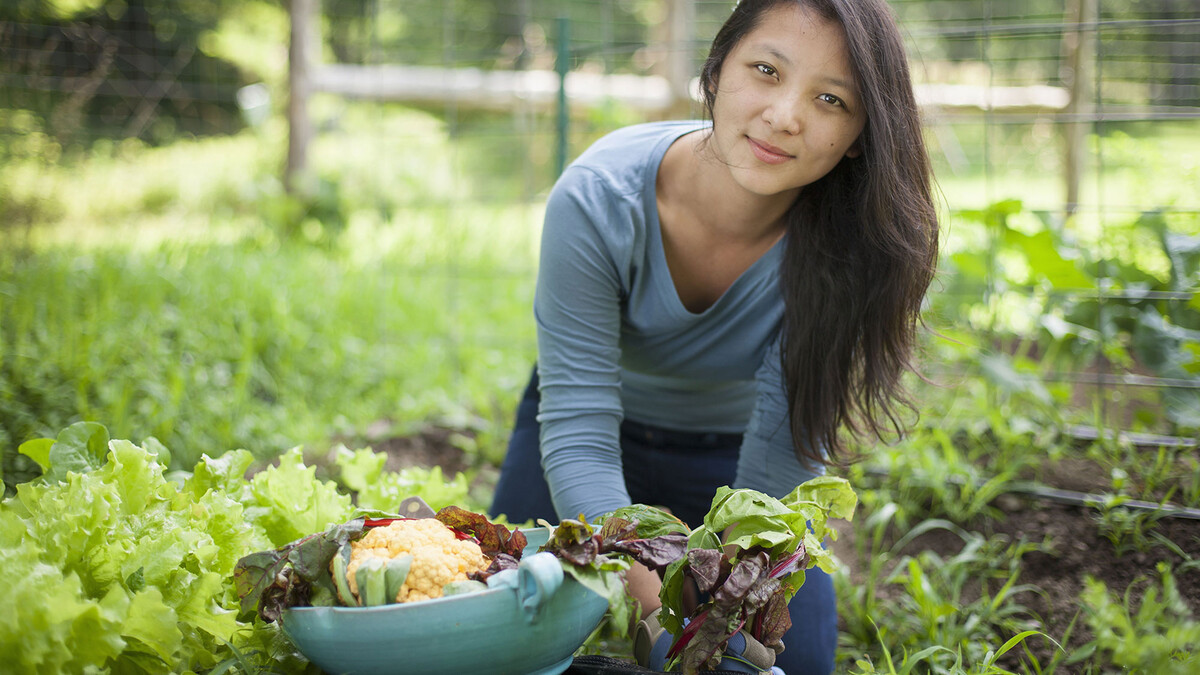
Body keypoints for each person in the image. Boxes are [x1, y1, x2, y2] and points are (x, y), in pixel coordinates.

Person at [490, 0, 939, 672]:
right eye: (765, 70)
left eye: (830, 99)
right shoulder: (596, 198)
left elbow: (777, 463)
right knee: (509, 637)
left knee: (785, 660)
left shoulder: (852, 248)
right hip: (590, 442)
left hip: (731, 459)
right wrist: (664, 619)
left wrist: (726, 609)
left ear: (858, 136)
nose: (785, 115)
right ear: (717, 67)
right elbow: (579, 433)